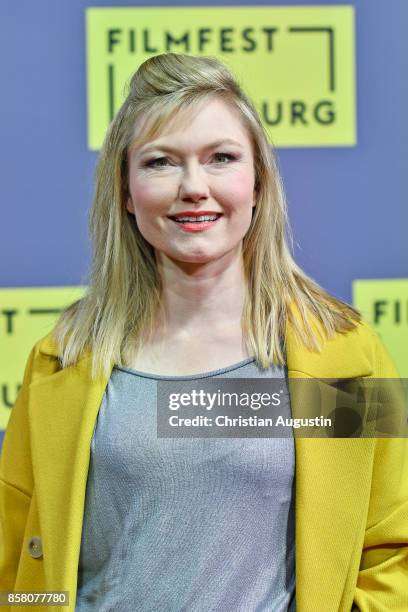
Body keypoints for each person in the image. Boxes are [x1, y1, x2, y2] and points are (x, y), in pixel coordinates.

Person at [0, 53, 407, 612]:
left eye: (221, 158)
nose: (194, 187)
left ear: (258, 182)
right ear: (125, 191)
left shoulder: (340, 349)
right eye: (161, 162)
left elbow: (393, 547)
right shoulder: (65, 357)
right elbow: (16, 559)